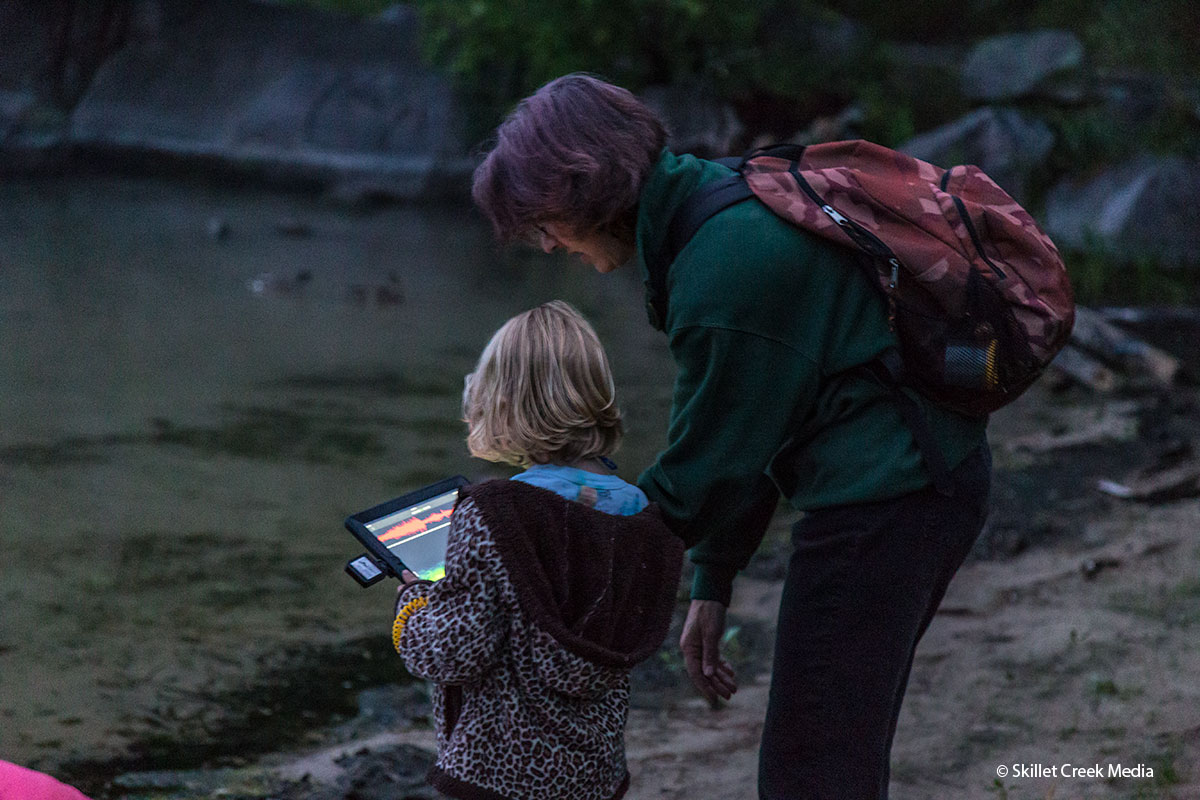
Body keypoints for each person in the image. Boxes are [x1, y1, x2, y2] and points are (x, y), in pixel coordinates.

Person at [471, 74, 992, 800]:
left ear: (579, 187)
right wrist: (712, 582)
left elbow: (705, 470)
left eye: (542, 222)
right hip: (918, 483)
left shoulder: (722, 268)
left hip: (887, 504)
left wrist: (543, 557)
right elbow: (753, 432)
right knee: (834, 751)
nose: (549, 245)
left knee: (811, 770)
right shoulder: (714, 203)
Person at [391, 300, 684, 800]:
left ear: (501, 403)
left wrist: (413, 604)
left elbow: (455, 649)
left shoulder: (494, 513)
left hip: (500, 773)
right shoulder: (636, 509)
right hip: (593, 771)